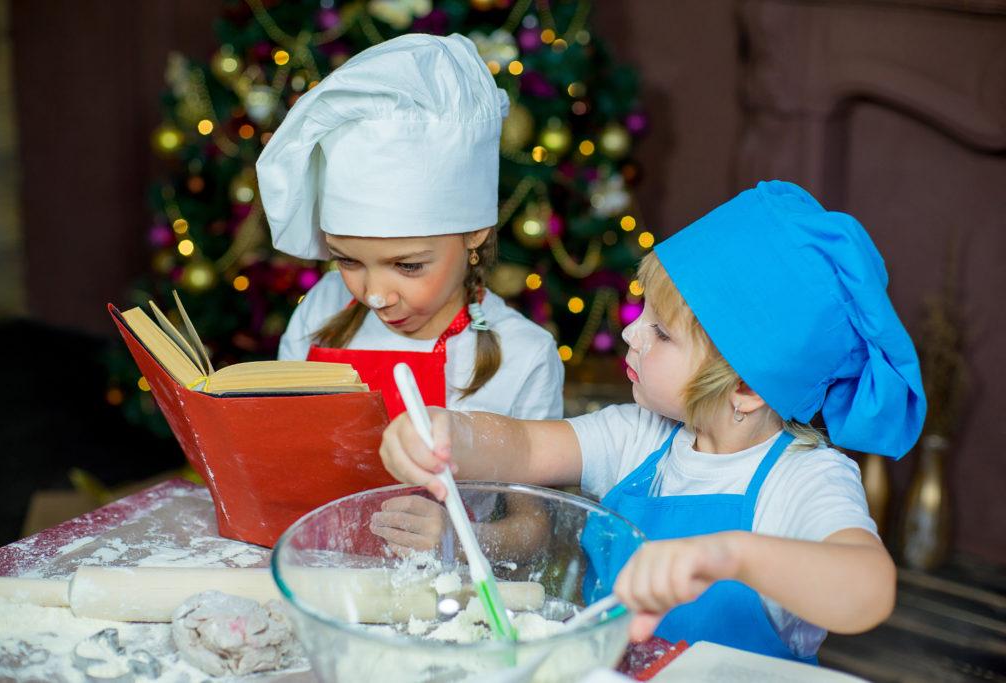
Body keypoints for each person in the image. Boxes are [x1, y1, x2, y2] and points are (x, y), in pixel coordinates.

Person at [378, 180, 927, 662]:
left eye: (661, 333)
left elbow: (868, 588)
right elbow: (522, 448)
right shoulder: (638, 435)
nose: (630, 335)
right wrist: (450, 431)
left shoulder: (804, 480)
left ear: (744, 387)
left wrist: (727, 554)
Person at [257, 33, 563, 555]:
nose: (374, 294)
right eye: (347, 259)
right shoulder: (320, 313)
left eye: (408, 265)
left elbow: (534, 529)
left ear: (475, 234)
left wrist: (457, 540)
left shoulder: (524, 356)